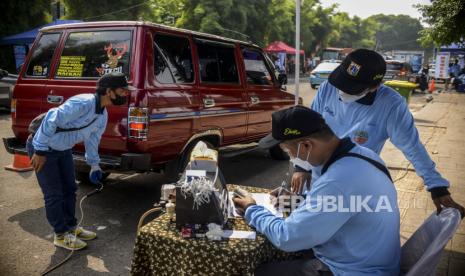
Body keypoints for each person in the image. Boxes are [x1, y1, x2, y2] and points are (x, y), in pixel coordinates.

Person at [291, 49, 465, 217]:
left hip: (353, 182)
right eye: (342, 82)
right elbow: (309, 129)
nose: (342, 91)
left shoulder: (391, 105)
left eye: (351, 88)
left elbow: (412, 146)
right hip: (316, 176)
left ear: (375, 86)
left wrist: (436, 186)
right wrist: (301, 166)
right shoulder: (328, 88)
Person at [233, 106, 400, 276]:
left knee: (259, 271)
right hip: (370, 259)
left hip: (354, 270)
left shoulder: (338, 181)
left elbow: (287, 238)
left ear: (306, 145)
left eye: (287, 150)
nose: (290, 156)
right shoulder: (364, 155)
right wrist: (299, 201)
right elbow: (341, 205)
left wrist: (252, 210)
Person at [26, 72, 135, 250]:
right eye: (123, 91)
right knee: (54, 193)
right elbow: (52, 117)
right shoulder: (83, 103)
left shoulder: (102, 115)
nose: (126, 94)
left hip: (63, 149)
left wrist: (94, 165)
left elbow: (93, 140)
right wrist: (39, 150)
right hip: (44, 148)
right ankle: (60, 235)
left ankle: (71, 228)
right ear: (109, 91)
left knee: (70, 189)